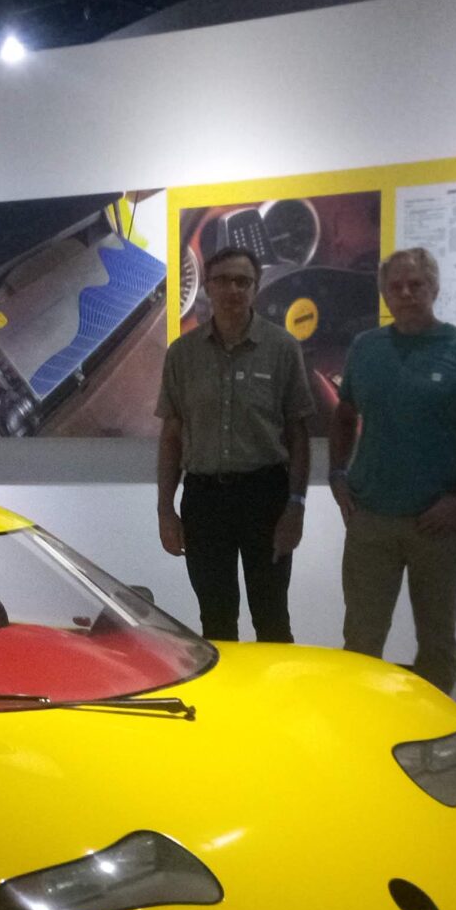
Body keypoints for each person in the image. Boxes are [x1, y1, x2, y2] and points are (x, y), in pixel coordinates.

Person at [328, 246, 456, 691]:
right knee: (361, 640)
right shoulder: (366, 348)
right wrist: (336, 474)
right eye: (396, 286)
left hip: (438, 524)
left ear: (434, 288)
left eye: (416, 285)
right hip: (370, 520)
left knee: (436, 641)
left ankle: (436, 725)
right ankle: (360, 724)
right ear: (385, 294)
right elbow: (344, 415)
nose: (407, 294)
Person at [156, 245, 314, 642]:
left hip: (266, 497)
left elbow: (298, 435)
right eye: (223, 280)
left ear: (256, 288)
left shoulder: (282, 348)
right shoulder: (182, 354)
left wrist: (296, 506)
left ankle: (274, 686)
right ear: (207, 287)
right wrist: (165, 509)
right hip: (204, 501)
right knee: (216, 619)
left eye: (243, 281)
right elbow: (172, 434)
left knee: (272, 617)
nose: (233, 289)